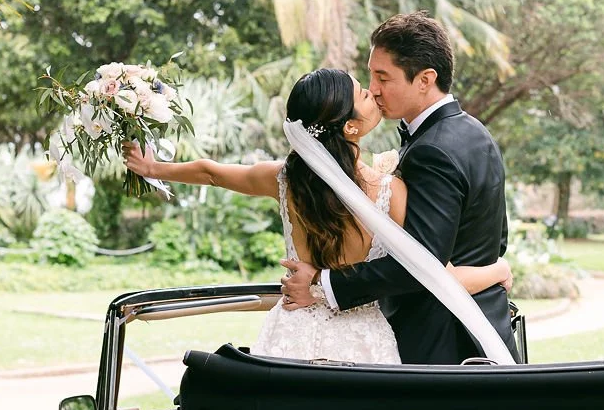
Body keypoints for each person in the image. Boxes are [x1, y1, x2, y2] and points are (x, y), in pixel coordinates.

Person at [122, 66, 511, 364]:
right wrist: (497, 271)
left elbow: (211, 172)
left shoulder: (285, 180)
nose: (374, 93)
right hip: (364, 338)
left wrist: (153, 168)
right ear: (351, 127)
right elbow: (430, 271)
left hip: (293, 328)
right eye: (364, 93)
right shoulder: (390, 192)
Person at [280, 11, 517, 364]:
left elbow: (420, 263)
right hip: (484, 328)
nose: (373, 88)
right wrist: (494, 271)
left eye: (383, 77)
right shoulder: (474, 132)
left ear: (425, 80)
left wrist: (322, 283)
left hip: (442, 343)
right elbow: (495, 242)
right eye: (371, 75)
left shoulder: (433, 150)